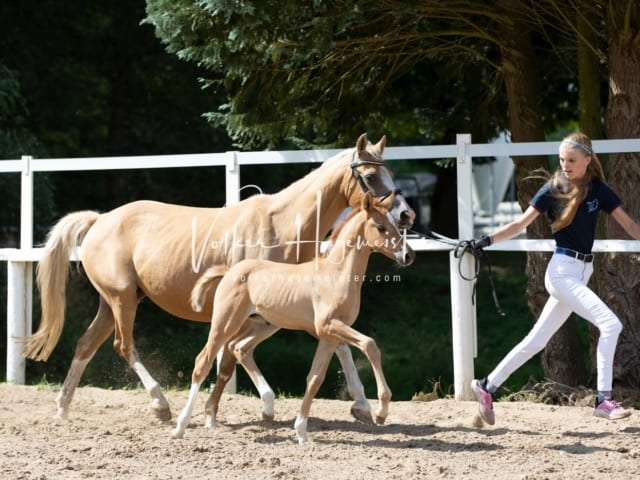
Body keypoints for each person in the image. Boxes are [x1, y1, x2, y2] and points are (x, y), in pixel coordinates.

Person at [470, 132, 640, 425]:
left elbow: (628, 224)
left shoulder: (599, 190)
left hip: (581, 273)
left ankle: (487, 385)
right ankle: (603, 399)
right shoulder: (552, 189)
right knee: (611, 324)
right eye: (562, 160)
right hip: (562, 272)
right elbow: (520, 224)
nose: (565, 165)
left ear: (588, 160)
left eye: (572, 160)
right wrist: (484, 240)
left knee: (536, 340)